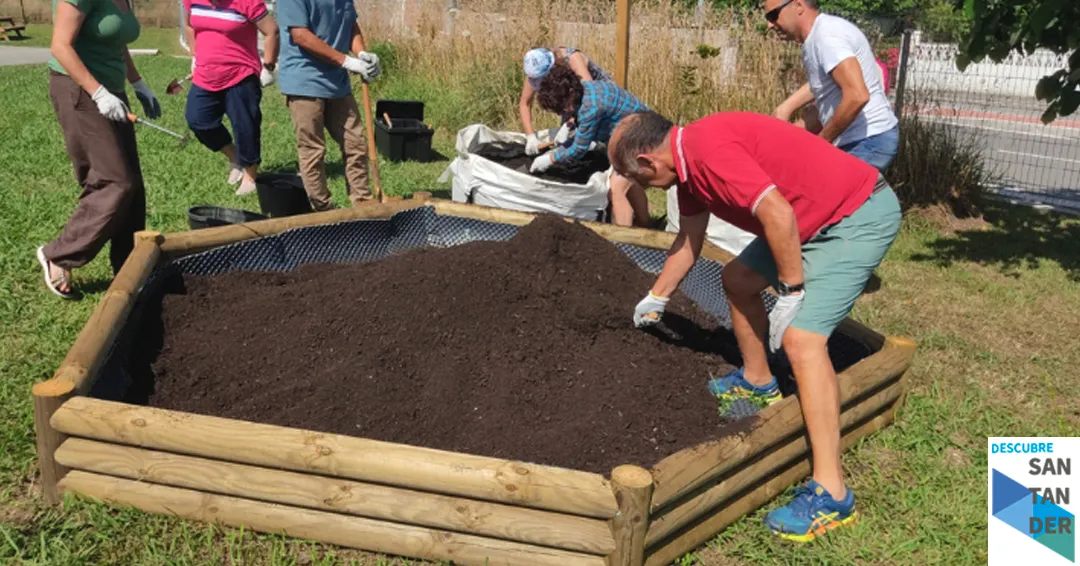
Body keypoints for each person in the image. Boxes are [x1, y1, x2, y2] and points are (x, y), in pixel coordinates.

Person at [610, 110, 901, 541]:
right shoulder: (687, 168)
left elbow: (778, 214)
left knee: (803, 341)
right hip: (806, 218)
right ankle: (758, 379)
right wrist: (658, 296)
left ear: (650, 162)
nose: (646, 190)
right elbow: (689, 240)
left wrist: (792, 290)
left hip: (853, 216)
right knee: (738, 280)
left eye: (640, 180)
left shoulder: (709, 154)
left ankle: (832, 494)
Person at [38, 0, 162, 299]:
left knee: (133, 187)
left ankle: (130, 267)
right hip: (79, 89)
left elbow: (116, 41)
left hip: (110, 90)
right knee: (115, 181)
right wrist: (98, 93)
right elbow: (60, 46)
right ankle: (59, 254)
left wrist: (138, 83)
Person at [767, 0, 899, 171]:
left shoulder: (827, 37)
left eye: (773, 15)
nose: (769, 24)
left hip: (869, 140)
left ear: (798, 6)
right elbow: (827, 108)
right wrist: (787, 135)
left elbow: (857, 96)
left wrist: (822, 142)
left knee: (815, 191)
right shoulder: (814, 41)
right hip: (863, 140)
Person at [277, 0, 381, 211]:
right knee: (313, 149)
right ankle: (323, 209)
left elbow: (350, 24)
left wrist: (361, 54)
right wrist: (346, 61)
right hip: (304, 81)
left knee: (355, 143)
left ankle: (362, 202)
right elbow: (300, 35)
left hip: (337, 83)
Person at [531, 62, 649, 227]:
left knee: (615, 190)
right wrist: (570, 125)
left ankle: (623, 243)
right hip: (636, 132)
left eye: (562, 108)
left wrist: (550, 158)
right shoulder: (586, 90)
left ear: (571, 93)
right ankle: (646, 224)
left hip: (638, 137)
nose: (562, 113)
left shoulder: (591, 107)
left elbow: (579, 149)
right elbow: (583, 125)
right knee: (629, 182)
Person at [184, 0, 280, 195]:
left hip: (241, 74)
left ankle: (250, 174)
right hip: (205, 74)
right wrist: (195, 55)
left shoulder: (247, 2)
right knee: (198, 120)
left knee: (245, 125)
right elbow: (188, 25)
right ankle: (235, 156)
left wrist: (268, 66)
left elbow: (272, 31)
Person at [520, 47, 614, 156]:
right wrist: (530, 136)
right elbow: (524, 104)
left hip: (599, 96)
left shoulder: (572, 59)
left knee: (595, 133)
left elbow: (591, 98)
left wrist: (571, 123)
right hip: (571, 99)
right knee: (568, 143)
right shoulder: (535, 71)